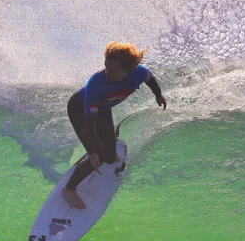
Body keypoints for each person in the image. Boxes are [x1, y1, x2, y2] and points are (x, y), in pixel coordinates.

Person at [62, 41, 167, 209]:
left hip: (103, 108)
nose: (107, 72)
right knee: (100, 156)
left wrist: (158, 95)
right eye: (106, 67)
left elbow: (151, 79)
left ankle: (104, 146)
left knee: (110, 158)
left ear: (128, 69)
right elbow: (90, 123)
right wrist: (92, 152)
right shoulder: (97, 83)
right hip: (80, 110)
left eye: (112, 69)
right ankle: (69, 189)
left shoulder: (139, 73)